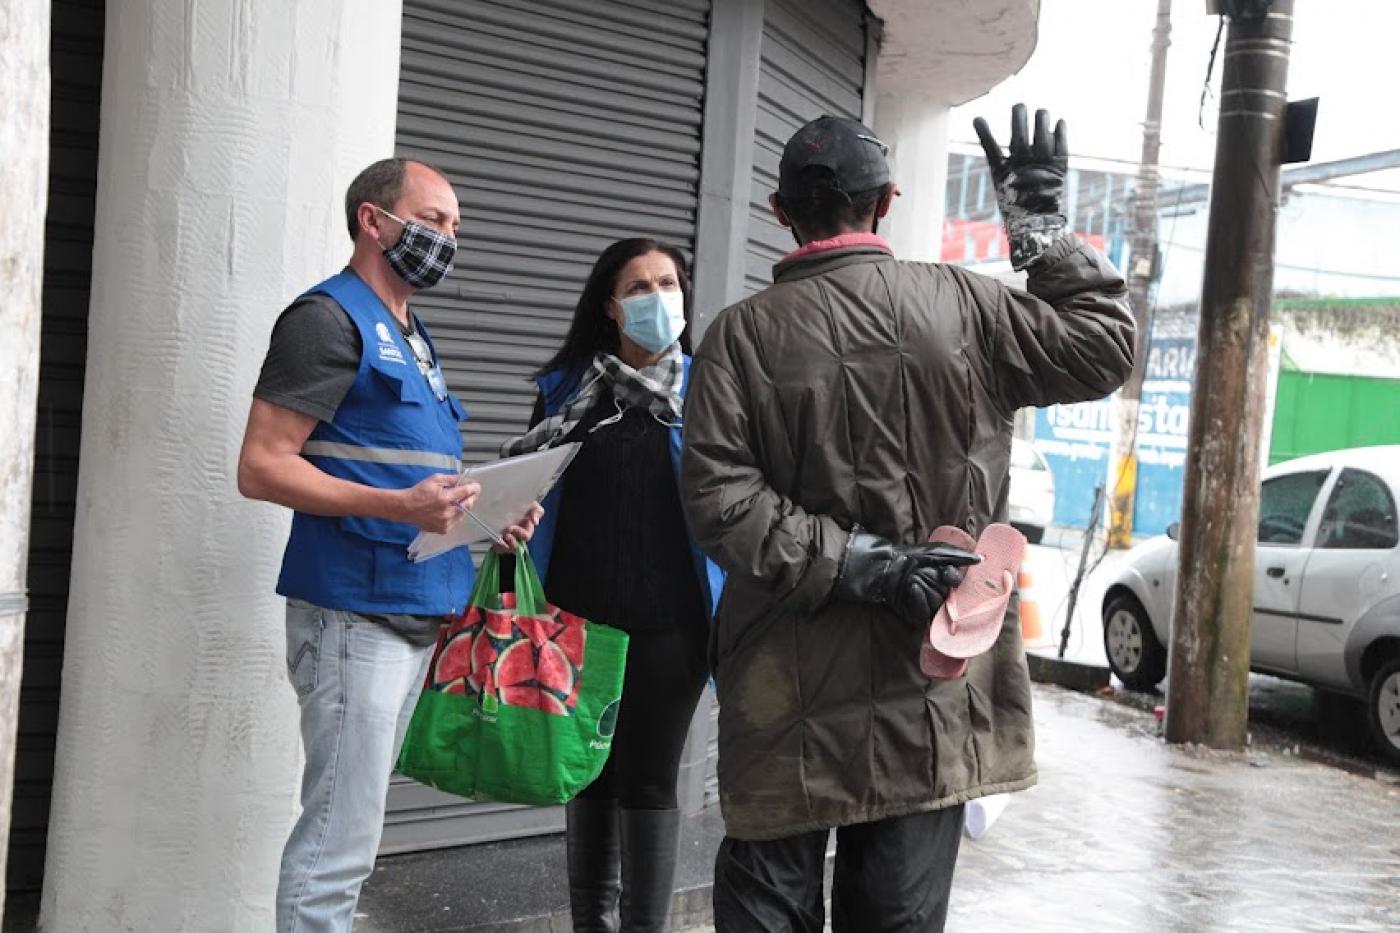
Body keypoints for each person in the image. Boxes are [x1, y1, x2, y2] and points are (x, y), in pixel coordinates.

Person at [680, 107, 1136, 931]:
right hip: (930, 681)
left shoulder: (737, 338)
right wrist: (1038, 234)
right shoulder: (965, 306)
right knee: (894, 914)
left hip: (782, 683)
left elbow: (720, 502)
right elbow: (1103, 346)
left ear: (780, 212)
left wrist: (857, 562)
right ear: (885, 202)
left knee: (766, 904)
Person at [237, 157, 540, 933]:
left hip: (407, 611)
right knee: (336, 845)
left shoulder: (413, 335)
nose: (447, 239)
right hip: (351, 613)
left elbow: (410, 476)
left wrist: (484, 516)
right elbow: (261, 465)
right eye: (432, 220)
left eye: (455, 228)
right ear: (374, 221)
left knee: (353, 837)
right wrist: (397, 503)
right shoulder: (326, 320)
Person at [499, 238, 725, 932]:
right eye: (639, 286)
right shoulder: (566, 391)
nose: (658, 298)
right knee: (588, 775)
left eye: (669, 283)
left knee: (650, 779)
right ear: (609, 304)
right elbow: (523, 488)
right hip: (576, 619)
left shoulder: (712, 393)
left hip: (673, 622)